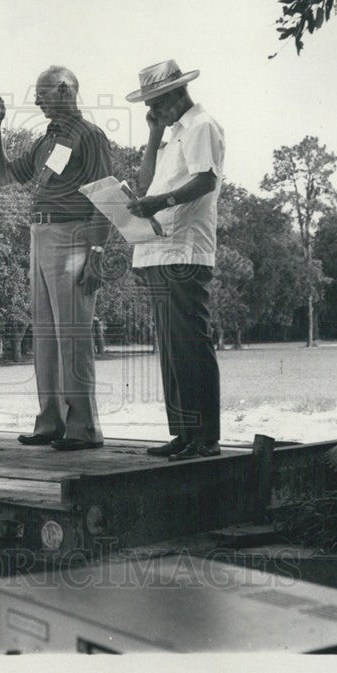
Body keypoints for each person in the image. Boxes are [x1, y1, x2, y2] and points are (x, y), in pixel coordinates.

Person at [0, 66, 111, 451]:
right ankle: (51, 422)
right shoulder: (47, 141)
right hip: (39, 236)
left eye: (42, 93)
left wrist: (97, 254)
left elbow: (105, 198)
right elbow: (2, 176)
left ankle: (83, 429)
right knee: (45, 335)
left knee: (73, 333)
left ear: (64, 89)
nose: (37, 100)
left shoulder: (90, 136)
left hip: (73, 237)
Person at [125, 60, 225, 460]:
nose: (153, 111)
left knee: (190, 344)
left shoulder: (202, 126)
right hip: (159, 249)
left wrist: (158, 203)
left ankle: (205, 438)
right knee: (170, 347)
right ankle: (184, 435)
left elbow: (206, 180)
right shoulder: (172, 134)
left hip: (185, 249)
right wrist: (153, 135)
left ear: (174, 96)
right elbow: (146, 183)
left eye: (155, 104)